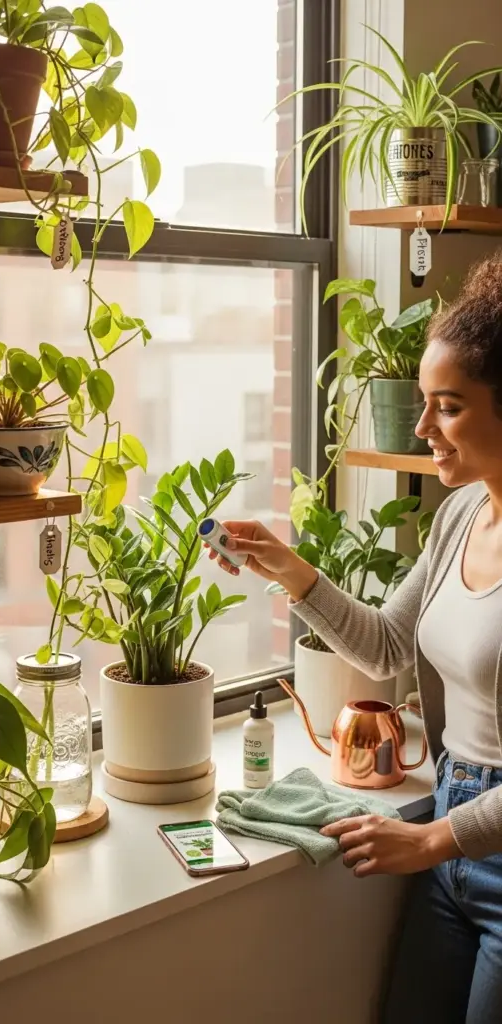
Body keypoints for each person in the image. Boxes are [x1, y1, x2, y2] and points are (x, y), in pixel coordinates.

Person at [208, 256, 502, 1024]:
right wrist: (284, 565)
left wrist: (438, 838)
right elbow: (385, 646)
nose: (421, 428)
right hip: (450, 832)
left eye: (446, 407)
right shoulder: (460, 515)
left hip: (466, 837)